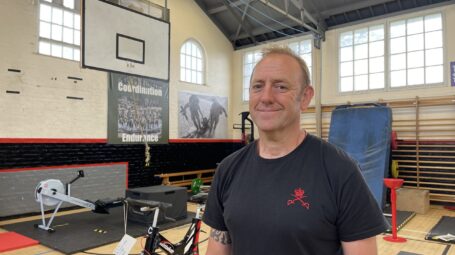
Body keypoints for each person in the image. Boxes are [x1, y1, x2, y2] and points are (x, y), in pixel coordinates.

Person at [203, 46, 388, 255]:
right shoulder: (228, 170)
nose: (266, 97)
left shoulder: (340, 171)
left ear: (305, 97)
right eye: (257, 86)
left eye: (280, 87)